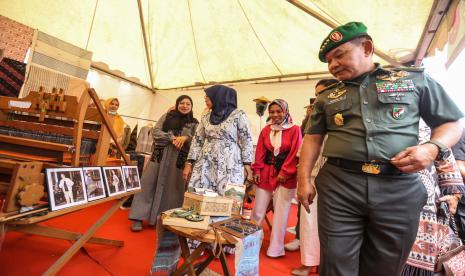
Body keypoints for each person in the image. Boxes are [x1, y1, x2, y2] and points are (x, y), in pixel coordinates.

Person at [297, 21, 464, 276]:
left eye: (339, 55)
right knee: (335, 263)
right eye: (328, 60)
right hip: (340, 185)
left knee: (386, 264)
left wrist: (431, 149)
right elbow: (312, 139)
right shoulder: (326, 97)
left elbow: (450, 123)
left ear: (366, 47)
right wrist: (303, 180)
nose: (332, 65)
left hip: (398, 186)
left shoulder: (414, 80)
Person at [401, 124, 464, 276]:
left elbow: (445, 154)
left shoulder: (431, 126)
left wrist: (454, 194)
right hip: (387, 199)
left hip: (429, 207)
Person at [129, 95, 198, 232]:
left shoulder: (194, 124)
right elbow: (155, 132)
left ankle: (165, 219)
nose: (184, 106)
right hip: (159, 156)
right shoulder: (166, 117)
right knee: (148, 184)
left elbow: (197, 141)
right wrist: (172, 138)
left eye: (188, 104)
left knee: (173, 189)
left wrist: (185, 138)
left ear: (191, 107)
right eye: (182, 103)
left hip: (179, 159)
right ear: (177, 104)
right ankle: (137, 217)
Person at [286, 79, 339, 254]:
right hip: (313, 171)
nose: (318, 98)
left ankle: (321, 254)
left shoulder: (344, 114)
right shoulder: (314, 115)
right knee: (307, 211)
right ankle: (301, 241)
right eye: (316, 94)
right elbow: (305, 138)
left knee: (330, 218)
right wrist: (309, 117)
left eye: (322, 93)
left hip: (335, 175)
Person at [252, 99, 302, 257]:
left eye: (278, 111)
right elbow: (260, 151)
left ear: (285, 111)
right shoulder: (266, 130)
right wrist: (257, 170)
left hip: (286, 176)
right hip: (266, 172)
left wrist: (285, 172)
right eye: (272, 112)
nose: (275, 115)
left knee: (281, 213)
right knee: (258, 211)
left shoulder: (295, 129)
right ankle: (252, 244)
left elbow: (295, 153)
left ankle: (275, 249)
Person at [183, 84, 253, 194]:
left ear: (219, 97)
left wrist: (247, 165)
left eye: (208, 96)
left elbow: (247, 140)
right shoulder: (206, 116)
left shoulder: (238, 115)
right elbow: (197, 140)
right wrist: (189, 162)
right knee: (200, 194)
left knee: (227, 197)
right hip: (206, 161)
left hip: (230, 162)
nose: (205, 99)